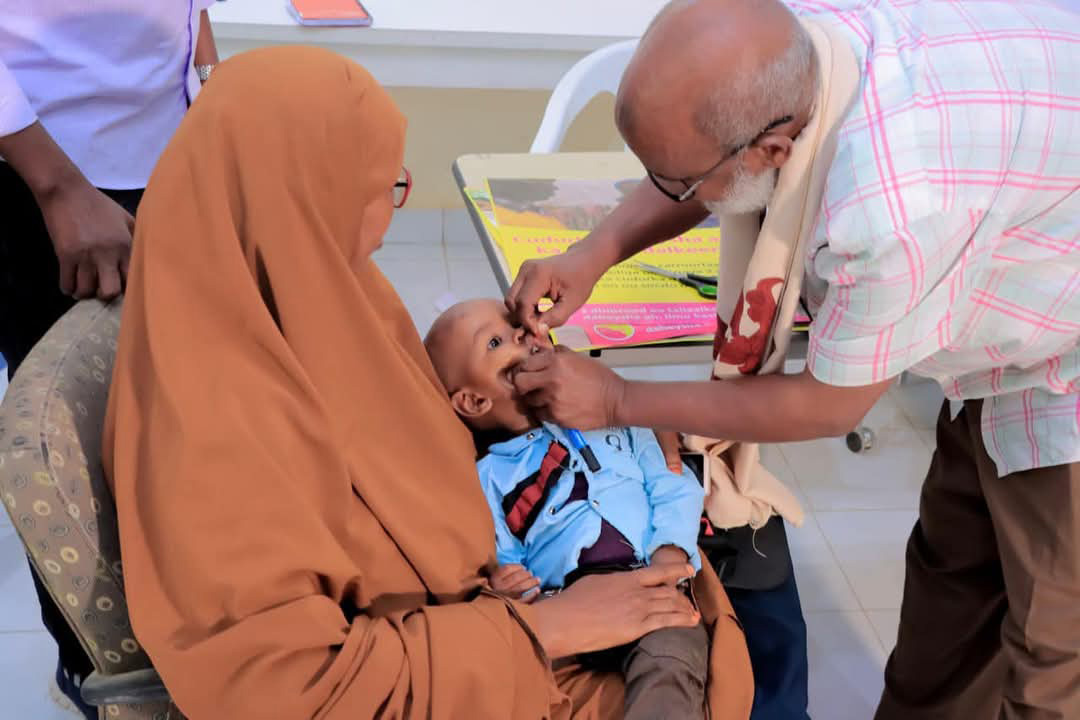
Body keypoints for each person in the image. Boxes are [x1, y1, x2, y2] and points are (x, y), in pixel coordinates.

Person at [102, 46, 754, 719]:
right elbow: (288, 689)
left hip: (499, 588)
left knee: (713, 578)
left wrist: (618, 429)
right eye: (385, 188)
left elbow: (416, 429)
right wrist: (547, 627)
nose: (394, 208)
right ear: (302, 199)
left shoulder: (310, 287)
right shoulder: (209, 431)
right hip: (462, 658)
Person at [505, 0, 1080, 718]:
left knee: (1056, 649)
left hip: (1066, 345)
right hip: (1016, 278)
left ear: (772, 153)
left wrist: (621, 401)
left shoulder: (888, 215)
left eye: (680, 184)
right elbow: (705, 159)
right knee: (953, 592)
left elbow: (830, 403)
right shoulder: (796, 42)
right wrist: (594, 251)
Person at [0, 4, 217, 716]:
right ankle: (95, 668)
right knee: (76, 442)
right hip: (47, 168)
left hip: (168, 141)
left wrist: (208, 96)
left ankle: (184, 636)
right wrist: (57, 188)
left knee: (171, 423)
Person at [424, 298, 714, 720]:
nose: (521, 334)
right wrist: (509, 586)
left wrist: (669, 555)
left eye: (515, 326)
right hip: (565, 606)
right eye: (495, 341)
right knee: (512, 673)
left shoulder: (612, 412)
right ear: (473, 402)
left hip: (650, 581)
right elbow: (501, 552)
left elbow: (672, 485)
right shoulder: (488, 477)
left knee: (673, 655)